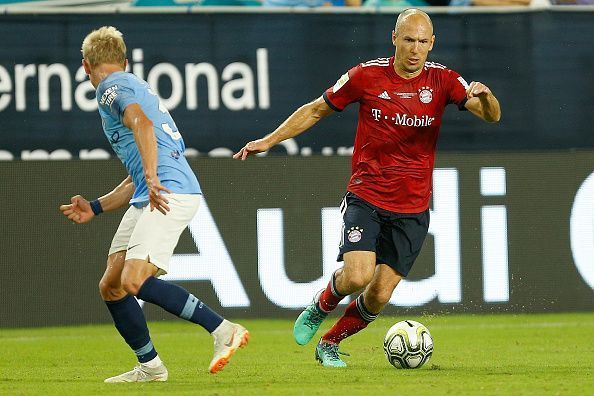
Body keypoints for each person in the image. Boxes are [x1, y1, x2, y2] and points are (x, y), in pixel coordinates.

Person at [234, 8, 500, 367]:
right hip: (368, 195)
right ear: (395, 39)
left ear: (432, 43)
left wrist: (485, 96)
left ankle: (329, 343)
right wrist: (269, 140)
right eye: (408, 40)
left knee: (378, 294)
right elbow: (315, 110)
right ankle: (321, 304)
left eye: (423, 41)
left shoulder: (444, 81)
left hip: (413, 208)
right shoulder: (366, 75)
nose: (415, 49)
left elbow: (492, 115)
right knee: (357, 275)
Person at [60, 26, 249, 383]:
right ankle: (150, 367)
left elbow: (141, 125)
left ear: (86, 65)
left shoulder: (109, 89)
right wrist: (96, 207)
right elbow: (136, 172)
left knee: (133, 280)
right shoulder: (134, 85)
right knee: (112, 285)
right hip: (153, 189)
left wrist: (150, 176)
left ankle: (223, 330)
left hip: (166, 191)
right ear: (125, 60)